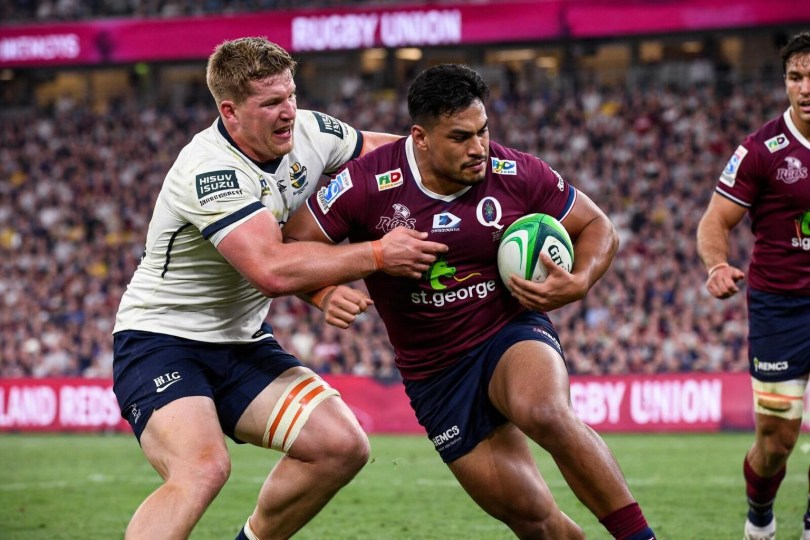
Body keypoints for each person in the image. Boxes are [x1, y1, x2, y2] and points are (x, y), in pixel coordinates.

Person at [283, 63, 655, 539]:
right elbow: (293, 245)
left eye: (482, 131)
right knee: (536, 520)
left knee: (544, 411)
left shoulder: (515, 170)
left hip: (507, 330)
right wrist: (324, 290)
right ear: (420, 137)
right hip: (435, 376)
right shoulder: (366, 183)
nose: (478, 148)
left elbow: (598, 224)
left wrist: (581, 280)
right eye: (460, 137)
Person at [111, 36, 447, 540]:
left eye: (290, 94)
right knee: (202, 468)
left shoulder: (312, 132)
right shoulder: (208, 170)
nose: (289, 111)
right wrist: (378, 254)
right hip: (161, 343)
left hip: (240, 342)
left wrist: (476, 163)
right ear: (230, 112)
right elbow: (270, 267)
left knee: (340, 445)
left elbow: (398, 160)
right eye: (270, 103)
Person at [696, 31, 810, 540]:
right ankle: (760, 514)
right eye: (796, 77)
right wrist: (716, 265)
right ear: (785, 83)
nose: (805, 88)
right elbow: (715, 222)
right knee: (776, 440)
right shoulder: (762, 149)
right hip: (779, 308)